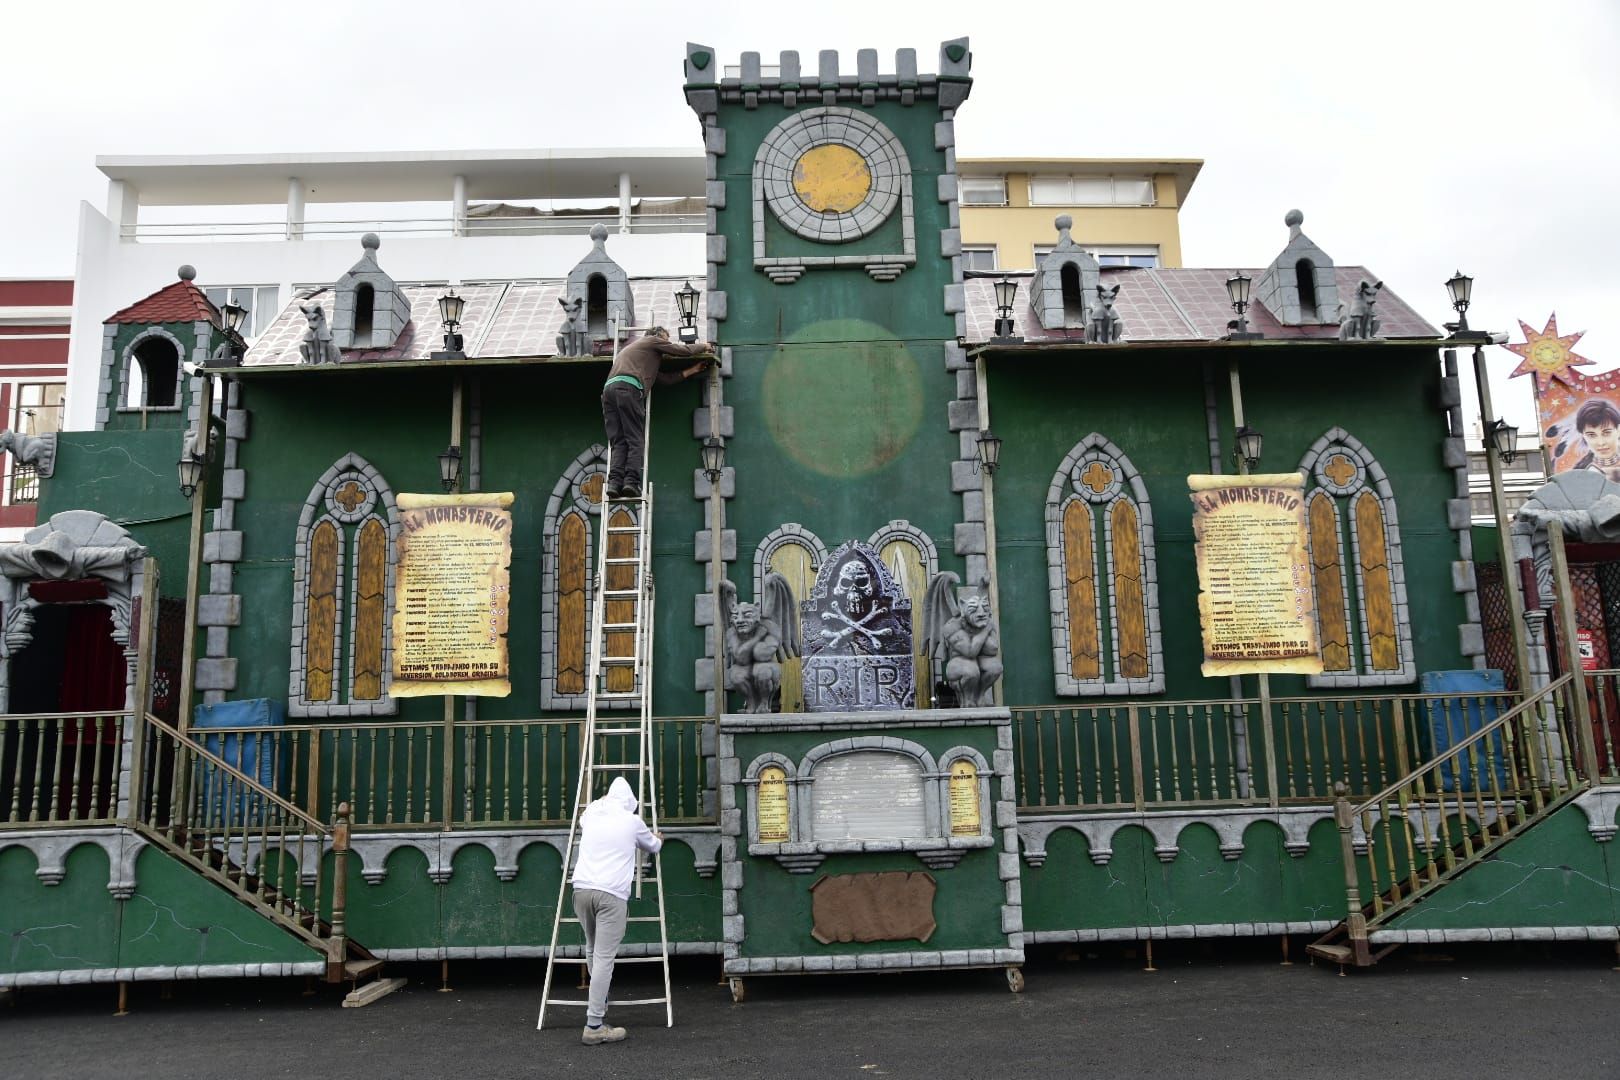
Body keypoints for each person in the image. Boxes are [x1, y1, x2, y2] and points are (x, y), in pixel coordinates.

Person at [570, 776, 663, 1045]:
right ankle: (594, 1024)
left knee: (591, 949)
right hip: (611, 894)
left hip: (581, 890)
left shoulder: (592, 814)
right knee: (604, 958)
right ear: (630, 803)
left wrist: (598, 803)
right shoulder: (632, 822)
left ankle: (600, 999)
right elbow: (654, 847)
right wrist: (657, 837)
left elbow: (583, 820)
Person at [601, 327, 715, 499]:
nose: (667, 344)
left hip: (609, 391)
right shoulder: (652, 340)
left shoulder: (638, 356)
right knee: (635, 439)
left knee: (619, 442)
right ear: (658, 336)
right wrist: (705, 346)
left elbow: (665, 379)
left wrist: (693, 370)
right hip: (628, 389)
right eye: (666, 339)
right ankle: (631, 483)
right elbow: (681, 350)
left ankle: (614, 484)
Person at [1574, 399, 1620, 481]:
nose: (1601, 443)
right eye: (1591, 435)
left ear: (1618, 430)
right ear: (1583, 436)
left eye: (1607, 433)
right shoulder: (1579, 474)